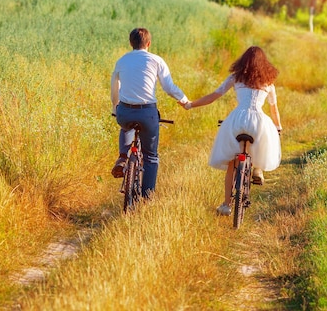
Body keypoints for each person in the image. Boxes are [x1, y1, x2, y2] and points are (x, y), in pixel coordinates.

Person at [184, 46, 282, 216]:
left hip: (237, 120)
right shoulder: (269, 83)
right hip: (259, 121)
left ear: (243, 61)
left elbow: (214, 95)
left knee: (232, 162)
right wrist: (278, 127)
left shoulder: (236, 78)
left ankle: (226, 205)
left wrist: (191, 104)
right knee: (262, 142)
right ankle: (257, 169)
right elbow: (274, 109)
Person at [110, 27, 189, 199]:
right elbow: (169, 88)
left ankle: (123, 157)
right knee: (151, 157)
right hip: (147, 113)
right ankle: (147, 197)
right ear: (149, 44)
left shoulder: (122, 60)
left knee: (125, 126)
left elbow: (114, 87)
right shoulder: (156, 60)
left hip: (124, 111)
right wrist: (184, 100)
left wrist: (115, 107)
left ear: (131, 43)